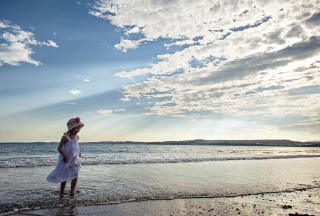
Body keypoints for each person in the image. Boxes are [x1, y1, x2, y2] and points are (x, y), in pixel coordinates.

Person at [46, 117, 84, 196]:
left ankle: (72, 191)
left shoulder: (77, 137)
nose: (78, 130)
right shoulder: (65, 137)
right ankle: (62, 191)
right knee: (65, 174)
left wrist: (78, 153)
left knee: (75, 174)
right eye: (76, 128)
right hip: (66, 159)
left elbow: (75, 147)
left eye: (79, 128)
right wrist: (65, 155)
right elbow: (59, 147)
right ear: (71, 128)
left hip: (75, 159)